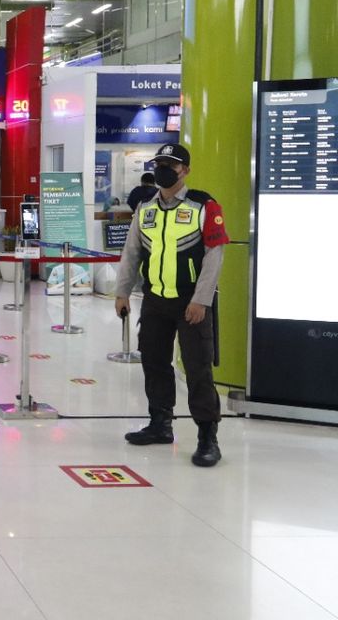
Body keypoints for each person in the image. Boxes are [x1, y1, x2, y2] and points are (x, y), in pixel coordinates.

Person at [114, 143, 227, 467]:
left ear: (185, 170)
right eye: (160, 163)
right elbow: (132, 252)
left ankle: (208, 436)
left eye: (171, 165)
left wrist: (201, 300)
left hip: (190, 302)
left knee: (197, 369)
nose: (164, 169)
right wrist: (122, 292)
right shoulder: (146, 209)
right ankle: (160, 424)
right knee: (154, 362)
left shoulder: (204, 205)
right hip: (155, 300)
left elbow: (214, 256)